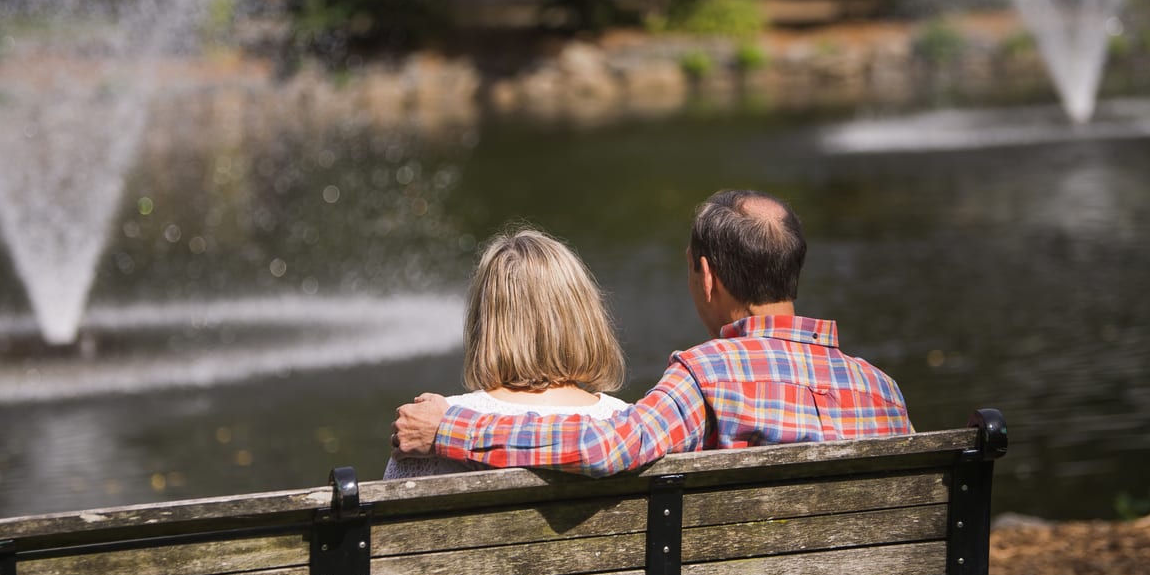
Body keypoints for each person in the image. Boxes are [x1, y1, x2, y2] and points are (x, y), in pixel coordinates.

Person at [391, 189, 913, 476]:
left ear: (706, 276)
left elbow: (603, 448)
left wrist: (448, 427)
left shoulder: (705, 378)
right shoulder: (881, 391)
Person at [383, 227, 630, 478]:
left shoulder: (424, 431)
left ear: (484, 323)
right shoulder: (626, 427)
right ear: (584, 316)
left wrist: (443, 431)